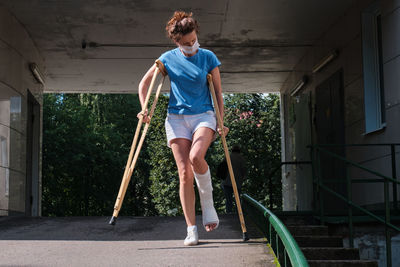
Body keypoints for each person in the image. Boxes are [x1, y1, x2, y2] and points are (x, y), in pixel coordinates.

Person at [137, 11, 228, 246]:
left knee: (196, 157)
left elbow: (218, 92)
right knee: (185, 173)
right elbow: (144, 83)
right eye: (186, 43)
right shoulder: (167, 58)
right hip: (176, 118)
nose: (192, 46)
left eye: (194, 40)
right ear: (177, 42)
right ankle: (191, 229)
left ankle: (208, 205)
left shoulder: (208, 57)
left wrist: (221, 122)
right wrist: (144, 109)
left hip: (204, 116)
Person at [217, 145, 246, 213]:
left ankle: (228, 213)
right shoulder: (241, 158)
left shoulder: (228, 157)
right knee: (237, 199)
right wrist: (243, 177)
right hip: (237, 181)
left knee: (228, 199)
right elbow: (244, 170)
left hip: (227, 181)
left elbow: (222, 167)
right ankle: (238, 213)